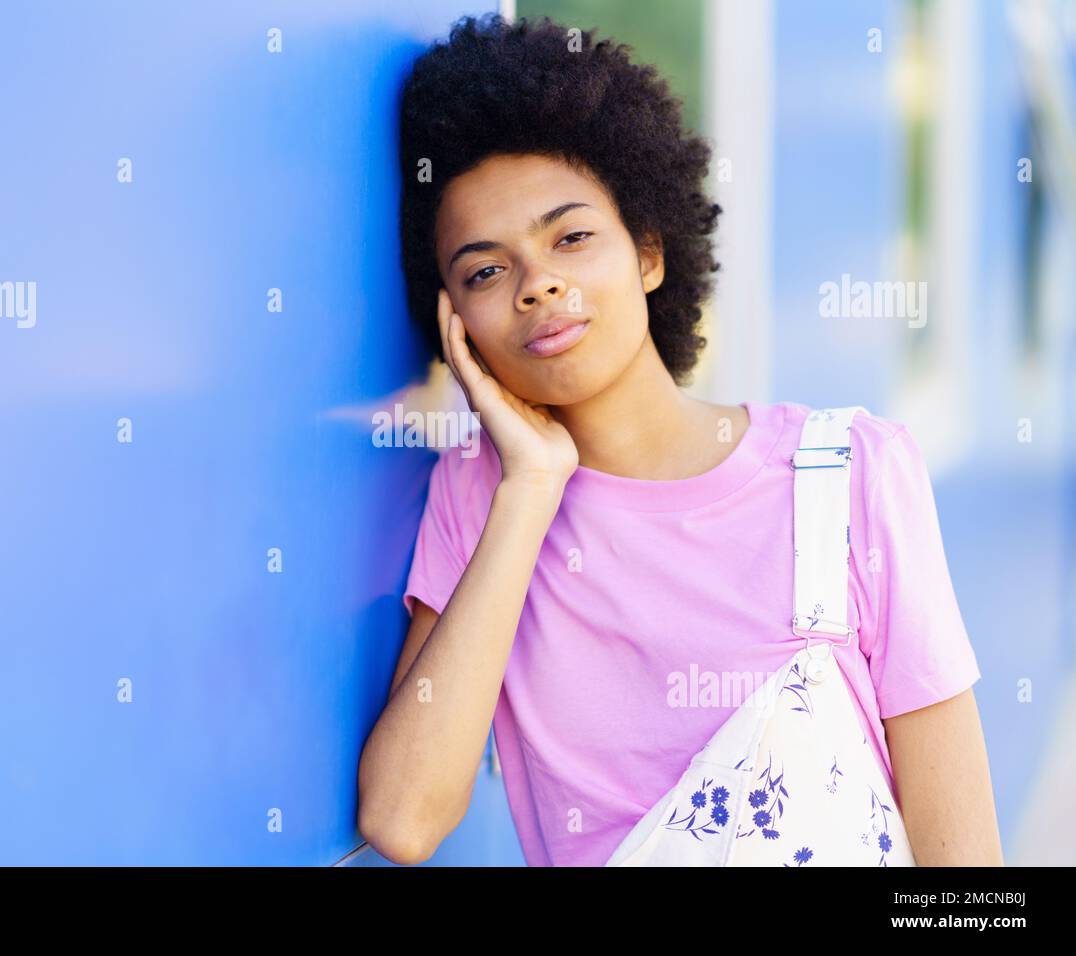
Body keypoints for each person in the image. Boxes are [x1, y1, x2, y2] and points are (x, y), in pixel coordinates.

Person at [356, 12, 1002, 867]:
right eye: (484, 270)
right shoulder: (482, 495)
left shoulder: (848, 475)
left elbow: (968, 875)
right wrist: (532, 489)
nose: (538, 283)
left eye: (573, 238)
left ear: (650, 252)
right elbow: (403, 819)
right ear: (454, 324)